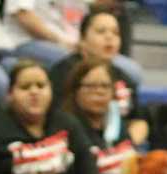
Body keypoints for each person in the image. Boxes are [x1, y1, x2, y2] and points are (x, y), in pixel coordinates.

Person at [48, 6, 147, 143]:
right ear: (82, 39)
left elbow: (139, 121)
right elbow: (55, 120)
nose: (110, 37)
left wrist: (127, 146)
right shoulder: (62, 72)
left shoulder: (124, 77)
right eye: (101, 31)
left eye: (115, 33)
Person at [59, 57, 137, 174]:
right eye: (91, 86)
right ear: (75, 90)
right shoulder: (66, 127)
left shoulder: (117, 123)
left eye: (105, 86)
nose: (99, 92)